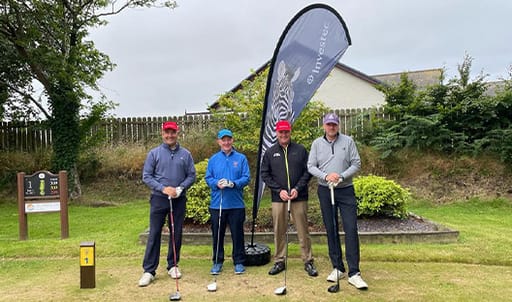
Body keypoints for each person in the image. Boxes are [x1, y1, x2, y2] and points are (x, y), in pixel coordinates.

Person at [307, 112, 369, 290]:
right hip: (325, 190)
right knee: (331, 228)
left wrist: (340, 176)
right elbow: (311, 166)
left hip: (345, 190)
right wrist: (326, 176)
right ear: (324, 126)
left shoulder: (348, 141)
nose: (331, 127)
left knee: (350, 229)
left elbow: (356, 163)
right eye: (329, 124)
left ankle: (354, 272)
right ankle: (338, 267)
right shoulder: (317, 144)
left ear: (338, 125)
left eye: (334, 124)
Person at [138, 121, 196, 287]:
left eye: (172, 132)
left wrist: (180, 188)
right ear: (162, 134)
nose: (169, 135)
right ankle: (149, 270)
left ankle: (173, 265)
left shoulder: (186, 154)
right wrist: (163, 189)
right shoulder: (154, 153)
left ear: (177, 133)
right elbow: (147, 176)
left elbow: (191, 175)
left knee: (176, 232)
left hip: (178, 199)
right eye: (166, 133)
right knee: (154, 233)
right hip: (159, 198)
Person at [260, 120, 318, 277]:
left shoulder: (300, 150)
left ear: (290, 132)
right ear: (276, 133)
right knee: (279, 230)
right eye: (281, 132)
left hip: (298, 197)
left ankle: (308, 260)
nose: (284, 135)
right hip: (279, 198)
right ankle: (279, 260)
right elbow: (265, 174)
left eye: (286, 132)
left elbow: (308, 171)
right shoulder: (270, 152)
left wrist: (297, 188)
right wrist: (279, 190)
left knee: (303, 230)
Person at [205, 128, 250, 275]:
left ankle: (239, 261)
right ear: (219, 141)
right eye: (223, 140)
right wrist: (216, 183)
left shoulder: (241, 158)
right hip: (217, 204)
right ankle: (217, 261)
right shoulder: (213, 159)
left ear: (232, 140)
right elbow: (208, 178)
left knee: (238, 234)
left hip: (236, 204)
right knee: (217, 235)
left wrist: (233, 183)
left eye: (228, 139)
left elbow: (246, 178)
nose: (226, 142)